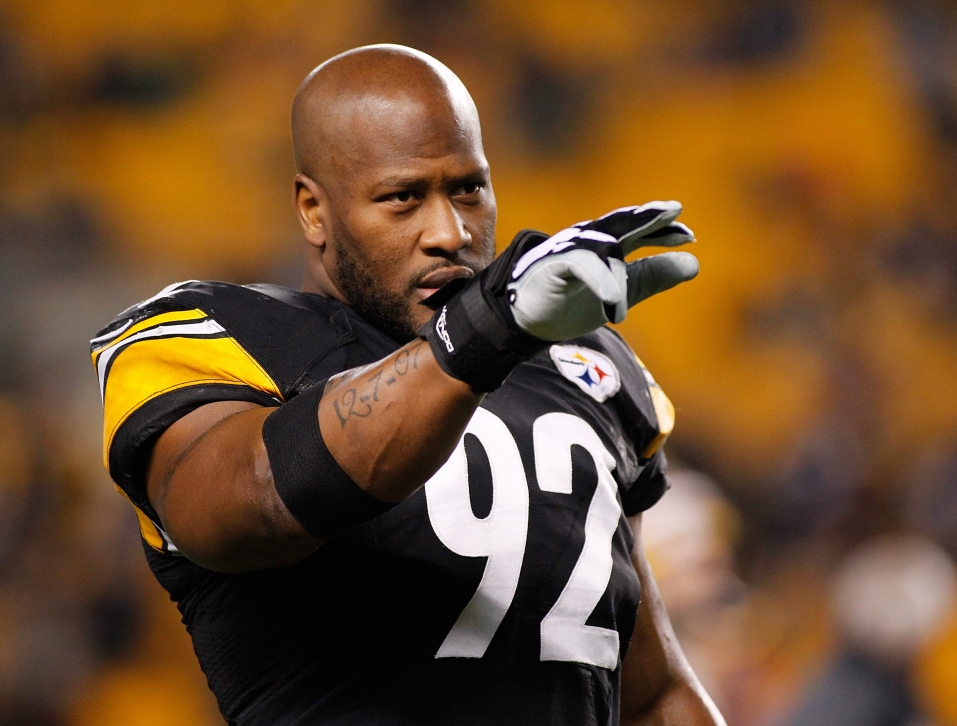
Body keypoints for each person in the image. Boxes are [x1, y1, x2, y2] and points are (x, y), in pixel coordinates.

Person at [90, 44, 725, 726]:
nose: (449, 232)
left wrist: (499, 332)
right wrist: (485, 334)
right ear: (313, 210)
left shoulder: (581, 368)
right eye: (403, 198)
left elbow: (653, 697)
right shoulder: (218, 337)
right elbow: (256, 501)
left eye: (468, 189)